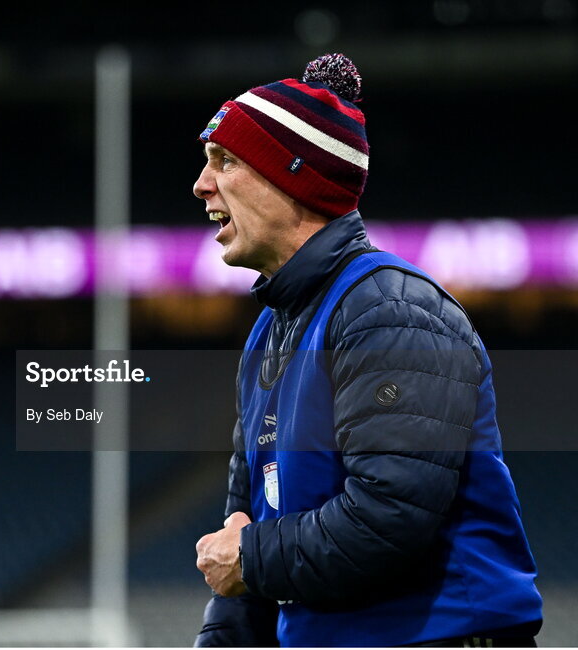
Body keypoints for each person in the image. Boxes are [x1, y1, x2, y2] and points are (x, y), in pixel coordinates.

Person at [190, 53, 543, 647]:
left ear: (292, 177)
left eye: (225, 160)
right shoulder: (268, 332)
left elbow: (389, 518)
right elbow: (247, 533)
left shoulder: (390, 311)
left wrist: (250, 559)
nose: (202, 184)